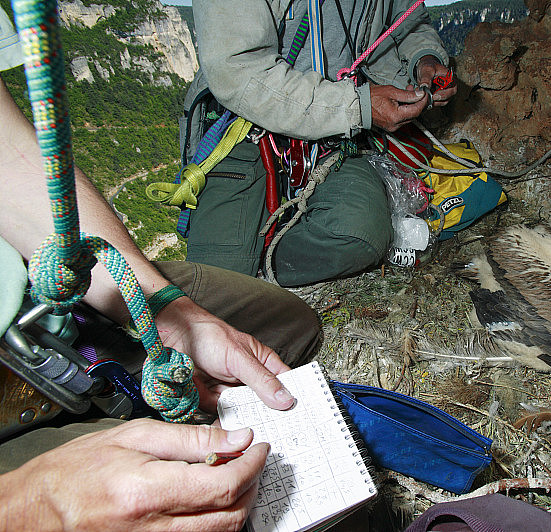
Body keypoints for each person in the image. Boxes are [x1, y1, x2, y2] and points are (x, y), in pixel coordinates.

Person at [0, 7, 321, 530]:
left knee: (289, 326)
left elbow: (11, 159)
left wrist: (173, 314)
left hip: (43, 309)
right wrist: (37, 506)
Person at [183, 0, 457, 286]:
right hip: (246, 128)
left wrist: (424, 59)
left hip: (333, 137)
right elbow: (236, 71)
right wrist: (354, 107)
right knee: (216, 284)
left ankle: (266, 265)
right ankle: (247, 256)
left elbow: (406, 16)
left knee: (361, 235)